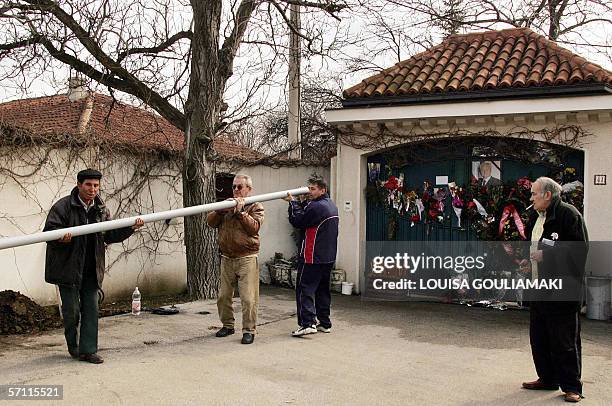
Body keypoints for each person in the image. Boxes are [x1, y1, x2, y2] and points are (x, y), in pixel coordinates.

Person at [44, 169, 144, 364]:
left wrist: (131, 227)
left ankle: (88, 350)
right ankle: (74, 346)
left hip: (92, 267)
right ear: (79, 185)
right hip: (69, 268)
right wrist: (61, 237)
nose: (92, 189)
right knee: (71, 311)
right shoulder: (63, 207)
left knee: (91, 309)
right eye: (88, 185)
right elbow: (49, 233)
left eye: (96, 186)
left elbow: (110, 235)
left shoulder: (101, 209)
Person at [519, 177, 588, 403]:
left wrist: (547, 255)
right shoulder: (537, 218)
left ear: (547, 195)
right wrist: (529, 262)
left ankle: (571, 386)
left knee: (564, 340)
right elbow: (536, 247)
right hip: (539, 285)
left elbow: (579, 252)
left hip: (564, 288)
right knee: (539, 337)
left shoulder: (569, 215)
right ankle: (547, 378)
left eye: (534, 194)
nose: (531, 199)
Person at [207, 174, 264, 345]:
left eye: (240, 187)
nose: (236, 190)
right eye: (234, 187)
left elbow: (254, 228)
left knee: (248, 298)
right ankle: (228, 325)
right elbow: (210, 222)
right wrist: (219, 211)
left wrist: (240, 213)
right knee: (223, 296)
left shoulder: (256, 206)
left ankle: (249, 330)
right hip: (227, 257)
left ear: (248, 189)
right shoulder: (226, 205)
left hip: (246, 258)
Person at [284, 177, 339, 337]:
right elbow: (309, 214)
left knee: (304, 288)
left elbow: (298, 220)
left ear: (323, 190)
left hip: (312, 256)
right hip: (327, 256)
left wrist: (292, 203)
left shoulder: (317, 206)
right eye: (309, 188)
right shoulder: (330, 205)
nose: (309, 192)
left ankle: (307, 323)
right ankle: (325, 323)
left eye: (313, 189)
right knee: (322, 290)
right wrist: (299, 202)